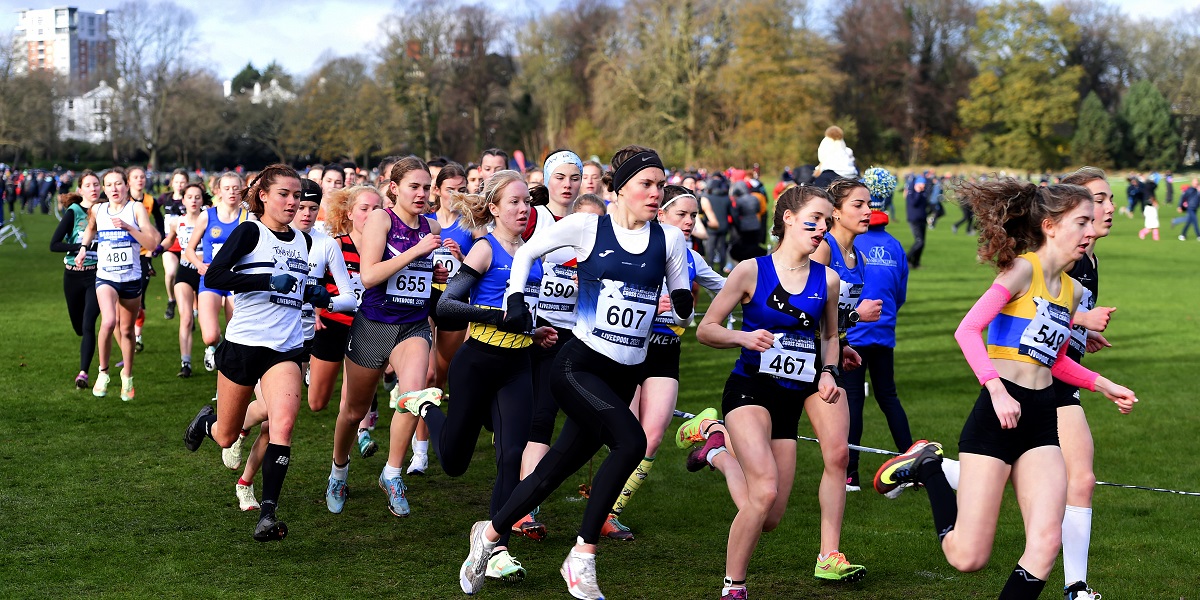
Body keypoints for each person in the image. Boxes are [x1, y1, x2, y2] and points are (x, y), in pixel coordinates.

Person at [443, 145, 692, 599]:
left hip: (626, 371)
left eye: (661, 185)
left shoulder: (670, 240)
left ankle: (489, 534)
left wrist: (678, 305)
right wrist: (516, 300)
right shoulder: (586, 227)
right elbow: (524, 254)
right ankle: (582, 555)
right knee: (631, 441)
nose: (656, 194)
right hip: (579, 364)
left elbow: (681, 307)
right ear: (621, 188)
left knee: (552, 471)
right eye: (647, 185)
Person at [873, 178, 1137, 600]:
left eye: (1092, 222)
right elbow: (968, 329)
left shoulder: (1073, 290)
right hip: (996, 417)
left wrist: (1103, 384)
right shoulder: (1021, 270)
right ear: (1050, 225)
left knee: (1046, 542)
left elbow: (1053, 360)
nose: (1091, 231)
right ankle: (927, 466)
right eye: (1082, 221)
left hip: (1041, 419)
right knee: (967, 558)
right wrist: (995, 388)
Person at [680, 184, 866, 599]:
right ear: (787, 219)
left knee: (769, 517)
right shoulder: (750, 270)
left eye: (826, 221)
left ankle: (716, 451)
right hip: (750, 389)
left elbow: (830, 335)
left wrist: (830, 371)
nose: (821, 228)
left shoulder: (829, 280)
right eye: (813, 220)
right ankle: (734, 587)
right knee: (763, 490)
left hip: (793, 394)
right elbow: (707, 329)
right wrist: (743, 339)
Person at [423, 172, 556, 582]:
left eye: (527, 203)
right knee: (455, 463)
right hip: (477, 360)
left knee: (512, 456)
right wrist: (498, 316)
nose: (523, 209)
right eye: (514, 202)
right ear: (494, 208)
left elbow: (524, 310)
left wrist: (532, 331)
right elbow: (446, 306)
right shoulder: (485, 249)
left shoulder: (533, 252)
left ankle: (495, 548)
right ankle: (425, 405)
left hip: (518, 365)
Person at [183, 164, 324, 542]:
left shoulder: (304, 241)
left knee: (284, 424)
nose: (293, 202)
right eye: (285, 194)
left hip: (285, 348)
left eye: (298, 196)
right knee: (227, 436)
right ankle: (205, 424)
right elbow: (214, 277)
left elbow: (294, 288)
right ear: (263, 196)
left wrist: (310, 293)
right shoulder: (249, 231)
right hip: (244, 344)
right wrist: (265, 280)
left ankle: (268, 513)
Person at [602, 185, 725, 540]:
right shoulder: (637, 244)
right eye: (681, 215)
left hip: (665, 350)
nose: (689, 222)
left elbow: (729, 288)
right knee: (623, 437)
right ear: (661, 214)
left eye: (693, 216)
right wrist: (645, 303)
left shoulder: (692, 258)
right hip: (626, 348)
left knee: (651, 439)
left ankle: (610, 513)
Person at [329, 156, 447, 518]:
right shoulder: (382, 218)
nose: (422, 193)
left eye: (427, 187)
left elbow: (427, 283)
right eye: (414, 186)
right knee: (353, 411)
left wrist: (440, 273)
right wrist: (417, 252)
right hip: (374, 324)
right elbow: (367, 275)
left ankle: (392, 473)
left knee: (413, 396)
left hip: (412, 325)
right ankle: (339, 470)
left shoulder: (431, 224)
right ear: (394, 188)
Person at [816, 174, 908, 492]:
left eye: (869, 203)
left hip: (830, 355)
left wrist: (841, 343)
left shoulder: (861, 258)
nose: (868, 210)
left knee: (838, 449)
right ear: (836, 212)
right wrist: (857, 316)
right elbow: (805, 312)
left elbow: (831, 318)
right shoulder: (824, 250)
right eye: (859, 204)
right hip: (800, 355)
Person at [74, 168, 161, 401]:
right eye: (109, 185)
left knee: (126, 330)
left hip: (131, 278)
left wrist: (129, 228)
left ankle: (128, 375)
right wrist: (83, 249)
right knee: (109, 321)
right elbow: (91, 229)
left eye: (118, 184)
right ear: (104, 189)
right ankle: (103, 373)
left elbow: (151, 244)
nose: (114, 188)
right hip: (106, 277)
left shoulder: (136, 209)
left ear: (126, 186)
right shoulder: (98, 209)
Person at [410, 163, 473, 473]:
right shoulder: (426, 222)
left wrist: (461, 260)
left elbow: (481, 269)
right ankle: (419, 453)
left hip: (455, 302)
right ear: (436, 191)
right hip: (425, 299)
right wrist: (430, 266)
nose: (457, 195)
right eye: (451, 189)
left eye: (462, 189)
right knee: (429, 375)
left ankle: (430, 431)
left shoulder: (471, 225)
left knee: (445, 374)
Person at [184, 172, 249, 373]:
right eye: (227, 188)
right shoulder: (207, 216)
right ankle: (213, 347)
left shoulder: (248, 217)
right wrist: (200, 265)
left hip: (236, 280)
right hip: (211, 279)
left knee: (235, 333)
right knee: (210, 335)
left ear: (242, 190)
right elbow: (189, 250)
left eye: (236, 188)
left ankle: (228, 370)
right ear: (218, 191)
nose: (232, 192)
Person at [50, 176, 100, 388]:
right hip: (72, 275)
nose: (93, 188)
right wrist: (81, 247)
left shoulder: (106, 211)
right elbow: (54, 244)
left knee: (89, 324)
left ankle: (83, 374)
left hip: (96, 276)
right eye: (88, 185)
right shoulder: (74, 213)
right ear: (80, 189)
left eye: (96, 184)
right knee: (79, 328)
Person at [156, 182, 206, 378]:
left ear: (203, 200)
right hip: (185, 271)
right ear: (183, 200)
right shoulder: (177, 221)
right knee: (185, 318)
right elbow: (170, 239)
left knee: (205, 321)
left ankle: (213, 350)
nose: (193, 200)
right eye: (189, 197)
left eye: (197, 197)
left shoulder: (209, 219)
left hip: (205, 273)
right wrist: (160, 248)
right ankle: (186, 363)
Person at [159, 169, 191, 319]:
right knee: (170, 274)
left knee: (191, 281)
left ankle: (190, 310)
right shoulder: (165, 198)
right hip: (170, 244)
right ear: (172, 182)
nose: (179, 185)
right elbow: (151, 210)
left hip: (189, 246)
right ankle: (171, 300)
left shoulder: (191, 198)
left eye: (182, 182)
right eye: (177, 182)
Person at [905, 176, 928, 268]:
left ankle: (916, 263)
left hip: (922, 220)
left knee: (922, 243)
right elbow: (914, 203)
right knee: (919, 242)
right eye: (922, 184)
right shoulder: (911, 193)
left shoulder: (923, 193)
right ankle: (907, 259)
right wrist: (918, 192)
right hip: (914, 220)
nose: (924, 186)